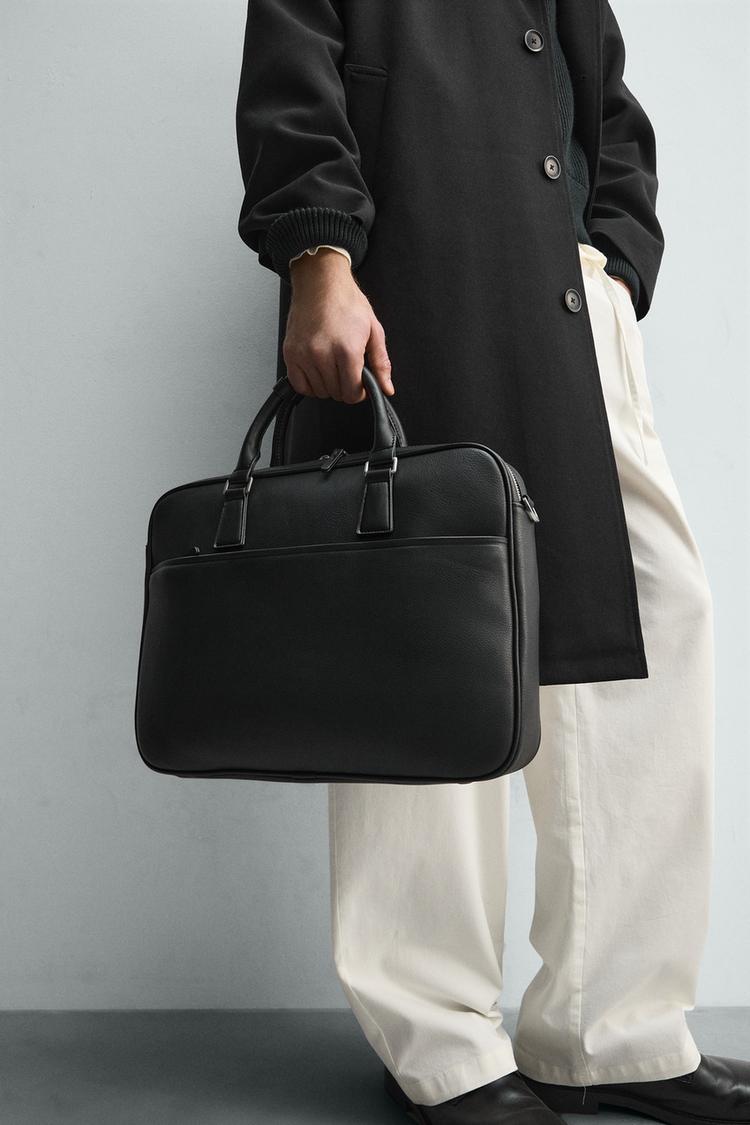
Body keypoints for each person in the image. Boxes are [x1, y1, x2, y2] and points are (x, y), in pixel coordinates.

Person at [234, 3, 749, 1122]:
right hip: (413, 295)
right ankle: (439, 1044)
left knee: (652, 628)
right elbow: (293, 89)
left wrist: (618, 263)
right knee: (424, 655)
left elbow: (607, 105)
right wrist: (319, 257)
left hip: (572, 307)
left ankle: (613, 1031)